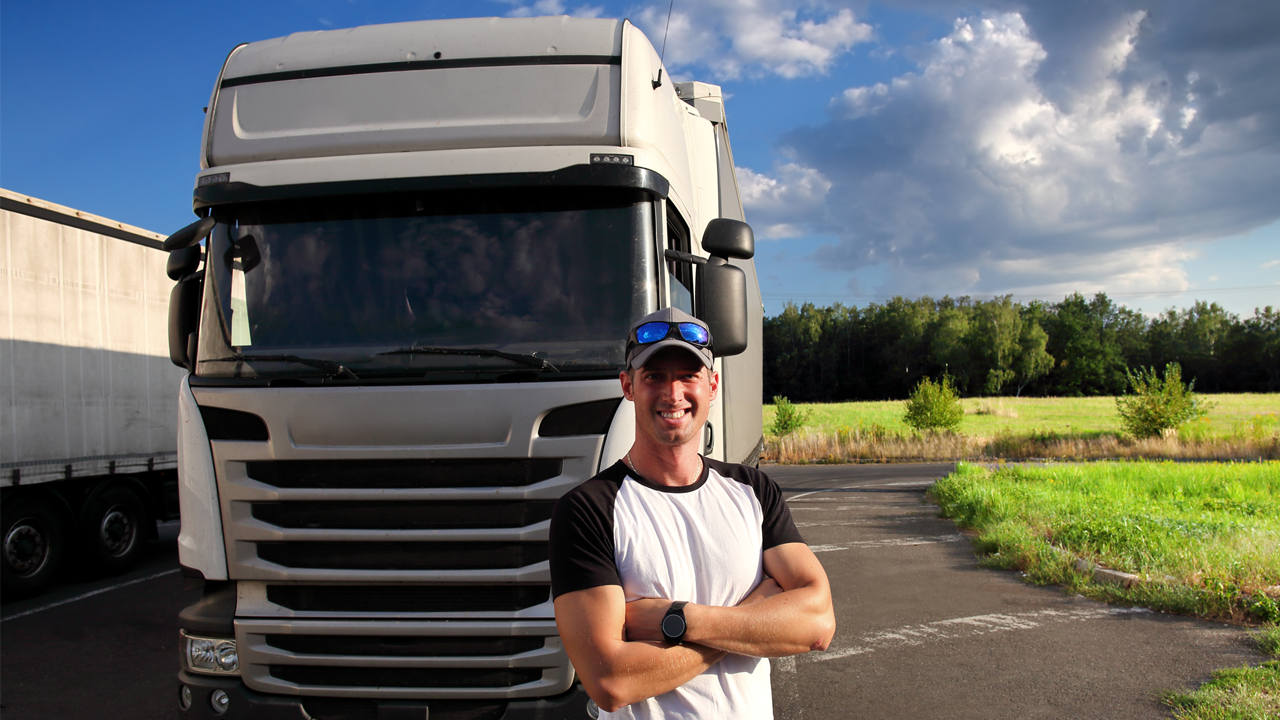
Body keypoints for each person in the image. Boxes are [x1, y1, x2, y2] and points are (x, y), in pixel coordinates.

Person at [549, 307, 836, 719]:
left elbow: (818, 623)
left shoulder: (753, 491)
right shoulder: (588, 510)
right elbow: (611, 682)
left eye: (688, 375)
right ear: (628, 386)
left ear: (712, 385)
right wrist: (753, 619)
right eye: (654, 377)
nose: (673, 393)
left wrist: (678, 619)